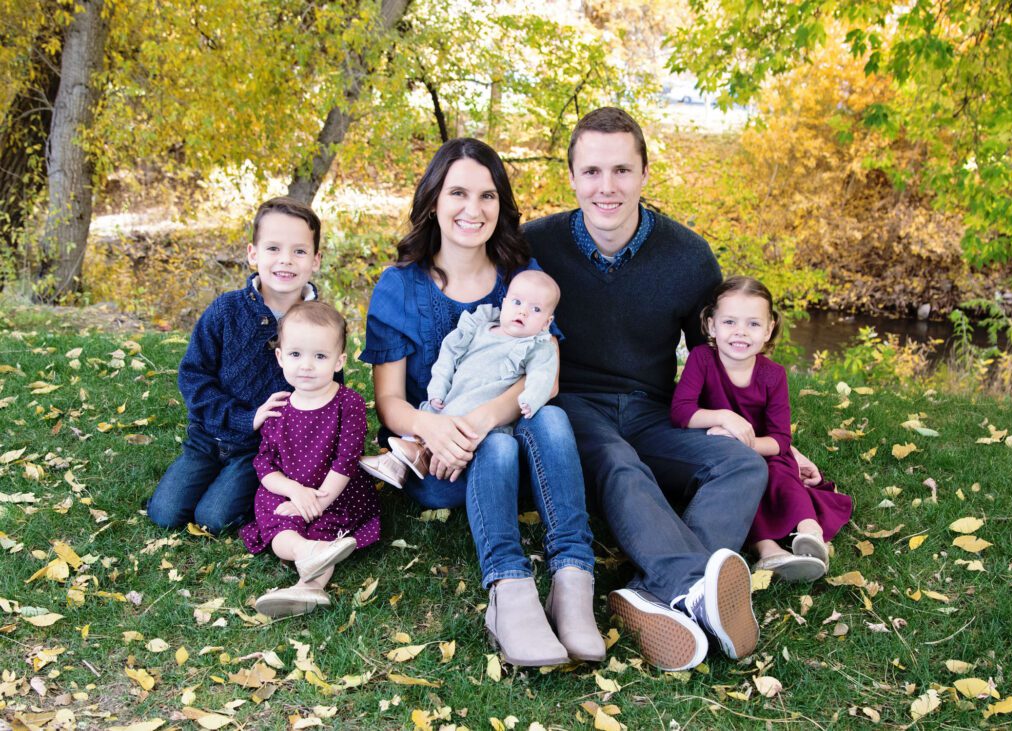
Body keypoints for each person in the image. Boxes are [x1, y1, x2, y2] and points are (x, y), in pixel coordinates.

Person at [524, 107, 822, 671]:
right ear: (571, 176)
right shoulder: (536, 245)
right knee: (618, 462)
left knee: (742, 466)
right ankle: (692, 585)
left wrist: (764, 438)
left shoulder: (688, 256)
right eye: (591, 172)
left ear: (643, 173)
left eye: (620, 170)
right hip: (569, 404)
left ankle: (653, 594)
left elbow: (717, 358)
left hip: (652, 408)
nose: (605, 187)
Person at [359, 138, 604, 667]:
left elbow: (548, 374)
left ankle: (572, 581)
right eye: (458, 193)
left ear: (502, 204)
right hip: (440, 459)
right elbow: (389, 402)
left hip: (512, 443)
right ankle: (509, 592)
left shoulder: (521, 274)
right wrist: (442, 428)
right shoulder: (398, 286)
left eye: (488, 196)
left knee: (552, 416)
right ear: (432, 200)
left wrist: (481, 417)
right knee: (494, 447)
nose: (474, 210)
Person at [148, 197, 327, 534]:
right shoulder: (226, 310)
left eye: (299, 252)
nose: (285, 260)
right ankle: (206, 477)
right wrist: (245, 417)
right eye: (273, 248)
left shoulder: (320, 323)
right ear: (252, 254)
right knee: (165, 514)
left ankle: (247, 492)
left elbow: (328, 391)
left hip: (260, 451)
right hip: (208, 436)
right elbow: (193, 376)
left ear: (315, 260)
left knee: (213, 519)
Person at [670, 276, 852, 582]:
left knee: (782, 471)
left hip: (761, 447)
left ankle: (811, 534)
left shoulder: (772, 375)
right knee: (743, 488)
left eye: (753, 324)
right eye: (729, 322)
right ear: (711, 325)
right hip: (718, 449)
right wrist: (723, 417)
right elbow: (681, 412)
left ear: (768, 330)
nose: (740, 332)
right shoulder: (702, 360)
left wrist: (751, 445)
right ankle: (768, 553)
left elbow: (781, 440)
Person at [239, 301, 381, 617]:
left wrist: (317, 501)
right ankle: (308, 552)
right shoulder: (279, 407)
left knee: (323, 529)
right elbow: (264, 464)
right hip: (288, 489)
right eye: (295, 355)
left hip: (335, 491)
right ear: (280, 357)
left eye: (319, 356)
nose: (306, 365)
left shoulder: (349, 403)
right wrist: (294, 492)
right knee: (279, 533)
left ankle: (310, 587)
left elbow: (346, 459)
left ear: (338, 361)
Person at [359, 269, 560, 485]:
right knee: (439, 424)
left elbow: (544, 377)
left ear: (547, 322)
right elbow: (448, 356)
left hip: (487, 423)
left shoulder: (536, 343)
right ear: (505, 301)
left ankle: (413, 456)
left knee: (465, 460)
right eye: (517, 303)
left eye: (536, 309)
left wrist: (530, 398)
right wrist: (437, 389)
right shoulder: (481, 325)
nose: (524, 312)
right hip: (450, 403)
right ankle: (404, 459)